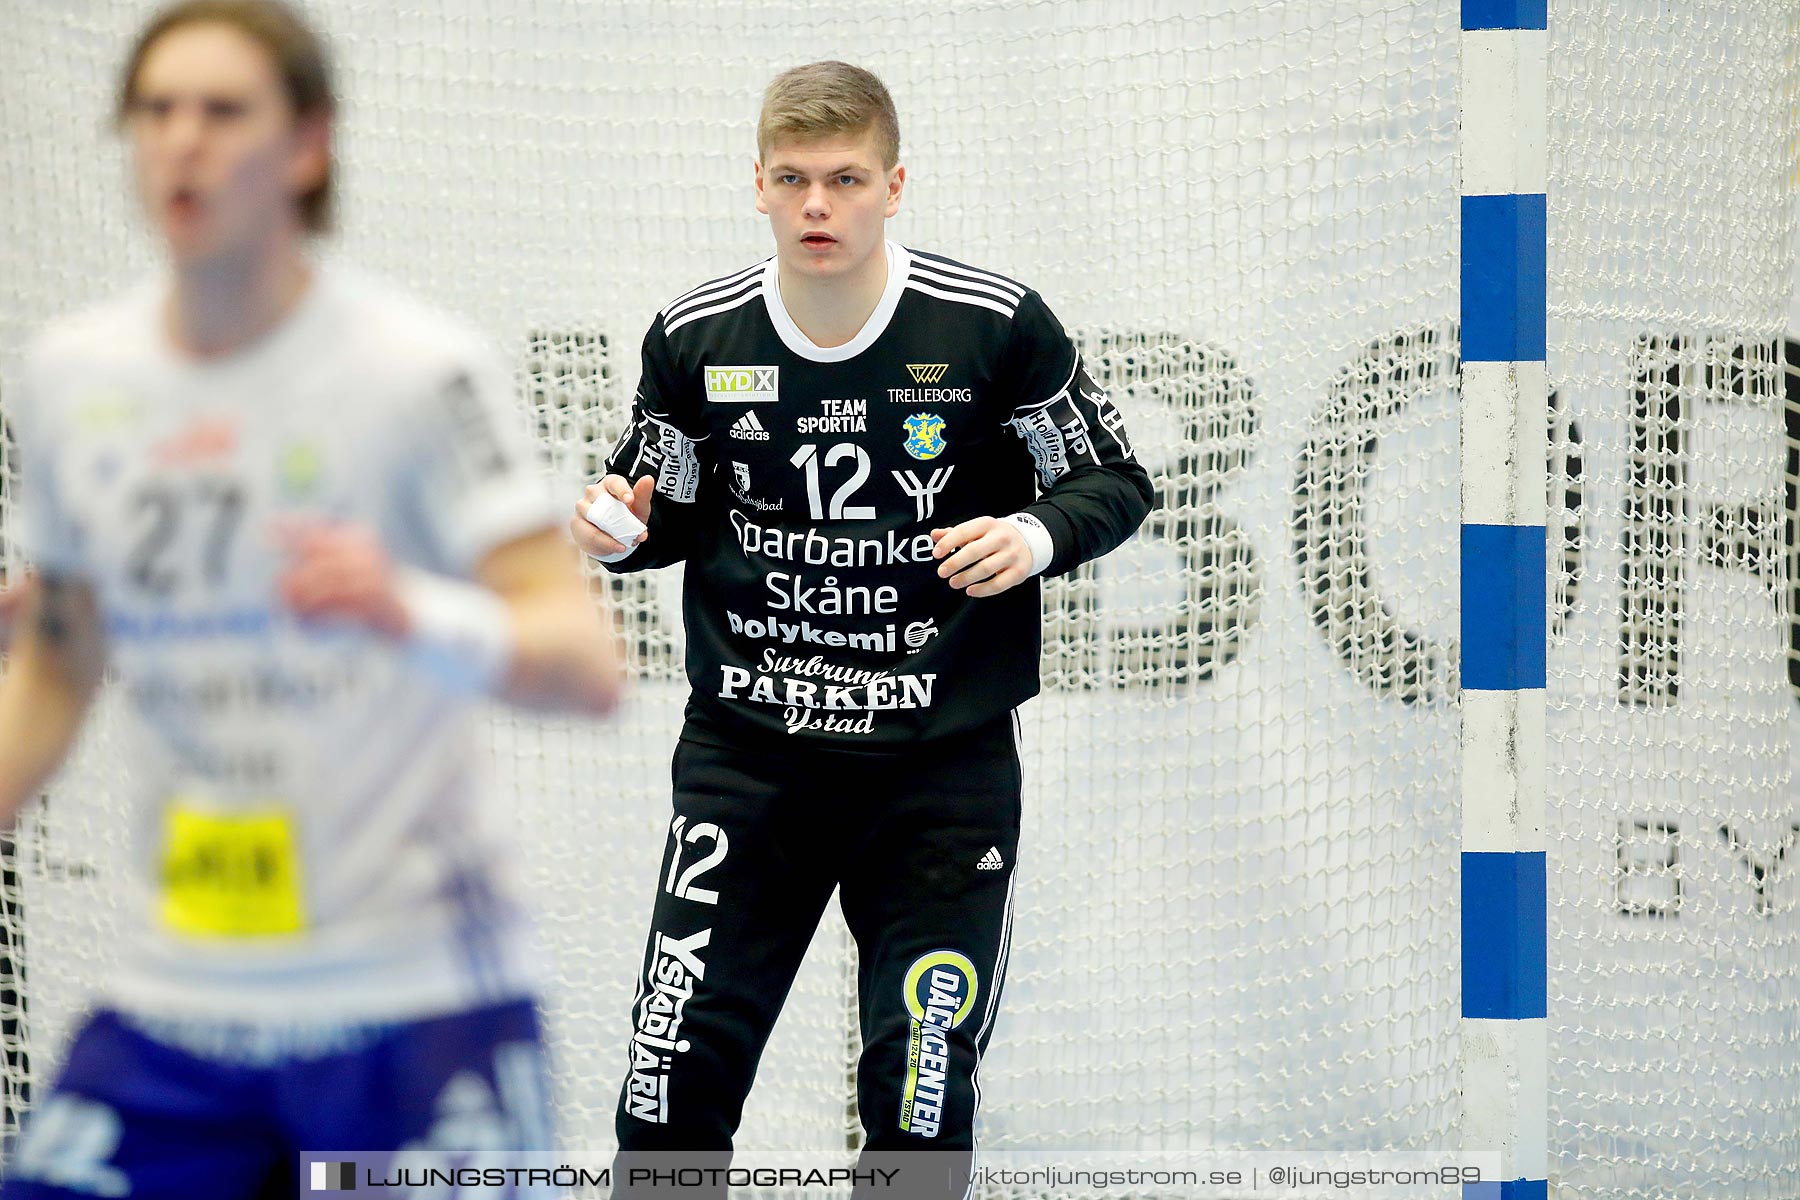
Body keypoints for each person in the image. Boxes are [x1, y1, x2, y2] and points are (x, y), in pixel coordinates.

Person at [0, 3, 623, 1196]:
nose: (184, 140)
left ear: (306, 146)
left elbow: (583, 666)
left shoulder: (414, 372)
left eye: (224, 111)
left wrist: (407, 608)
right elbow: (57, 668)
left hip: (415, 1005)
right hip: (178, 1003)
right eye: (156, 110)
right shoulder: (76, 378)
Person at [570, 60, 1153, 1196]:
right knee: (667, 1095)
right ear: (757, 186)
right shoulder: (693, 339)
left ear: (895, 184)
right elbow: (662, 505)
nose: (818, 206)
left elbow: (1114, 480)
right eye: (793, 179)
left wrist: (1034, 538)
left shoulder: (992, 328)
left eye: (844, 179)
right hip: (751, 765)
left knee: (921, 1102)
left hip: (937, 774)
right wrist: (613, 533)